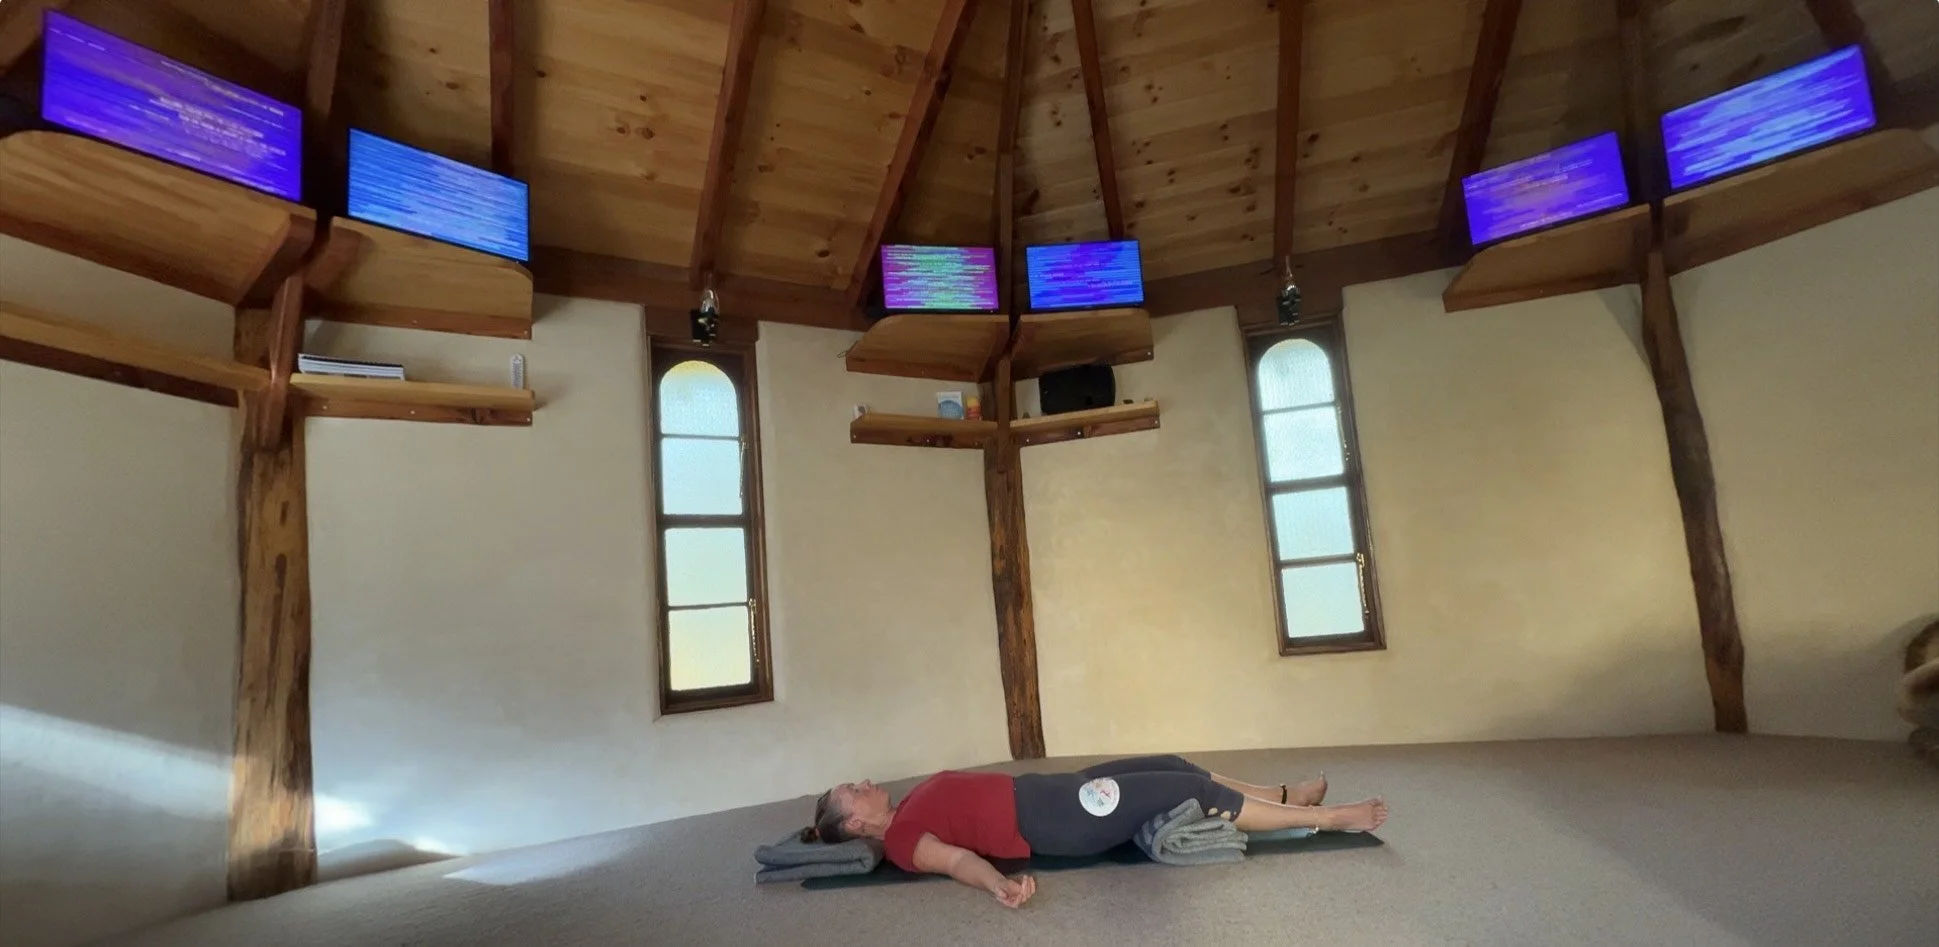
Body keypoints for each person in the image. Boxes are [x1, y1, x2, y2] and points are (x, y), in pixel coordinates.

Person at [803, 755, 1387, 908]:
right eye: (852, 790)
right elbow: (957, 861)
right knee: (1199, 794)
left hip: (1059, 789)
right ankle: (1329, 819)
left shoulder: (907, 806)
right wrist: (998, 886)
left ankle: (1284, 795)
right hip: (1062, 819)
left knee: (1177, 766)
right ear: (855, 822)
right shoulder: (904, 841)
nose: (863, 781)